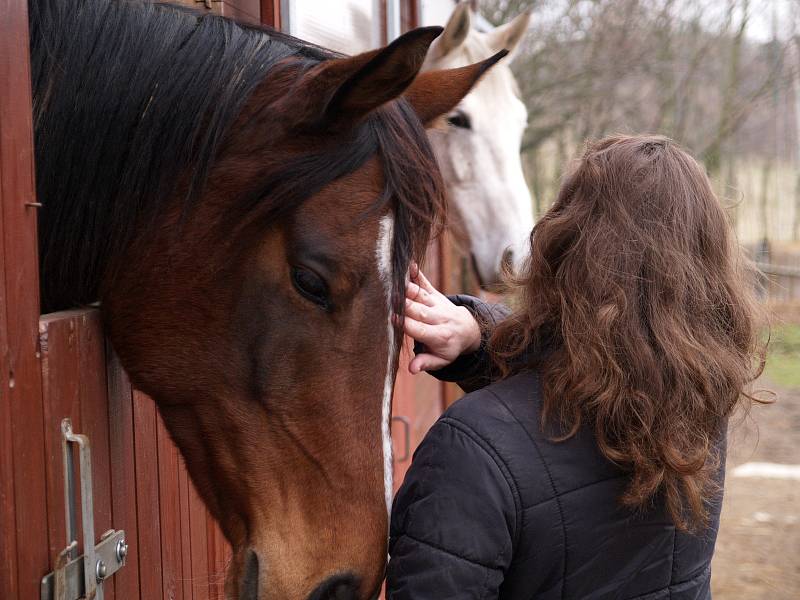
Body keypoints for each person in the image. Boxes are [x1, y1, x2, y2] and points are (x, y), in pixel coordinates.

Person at [386, 135, 766, 599]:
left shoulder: (472, 448)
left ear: (562, 244)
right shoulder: (698, 403)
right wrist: (480, 335)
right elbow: (606, 362)